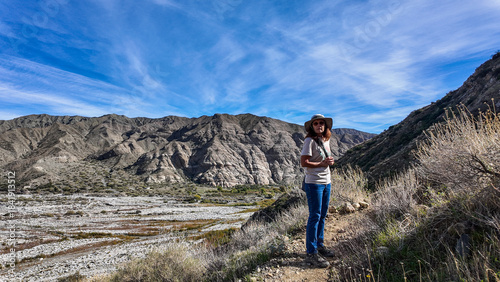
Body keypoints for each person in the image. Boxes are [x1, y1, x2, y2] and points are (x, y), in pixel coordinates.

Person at [300, 114, 335, 268]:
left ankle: (319, 245)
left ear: (325, 126)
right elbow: (304, 162)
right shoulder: (309, 141)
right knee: (314, 216)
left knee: (322, 215)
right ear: (312, 126)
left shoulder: (326, 140)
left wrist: (329, 161)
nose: (319, 125)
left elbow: (324, 160)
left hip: (326, 182)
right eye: (316, 123)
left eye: (322, 123)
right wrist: (321, 163)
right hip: (314, 183)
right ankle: (311, 252)